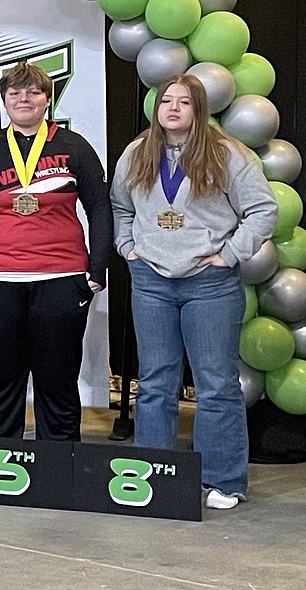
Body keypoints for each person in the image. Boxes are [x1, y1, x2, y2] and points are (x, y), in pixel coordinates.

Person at [111, 73, 276, 510]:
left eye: (184, 102)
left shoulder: (227, 154)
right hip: (151, 281)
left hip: (210, 285)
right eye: (167, 100)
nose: (174, 108)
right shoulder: (136, 153)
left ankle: (222, 480)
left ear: (199, 109)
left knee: (216, 384)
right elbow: (120, 207)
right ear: (156, 107)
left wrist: (231, 253)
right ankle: (151, 474)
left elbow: (263, 210)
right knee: (155, 383)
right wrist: (128, 247)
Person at [0, 62, 112, 438]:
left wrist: (97, 269)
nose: (24, 98)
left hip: (61, 277)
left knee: (57, 381)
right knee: (2, 380)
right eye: (14, 92)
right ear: (3, 100)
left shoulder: (74, 146)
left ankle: (59, 468)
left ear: (47, 99)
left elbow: (100, 208)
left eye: (34, 92)